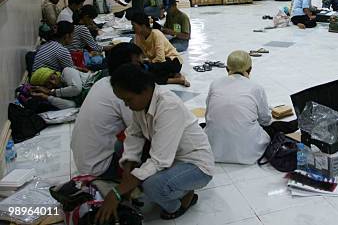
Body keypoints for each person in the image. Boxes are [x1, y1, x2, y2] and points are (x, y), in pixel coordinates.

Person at [95, 64, 214, 222]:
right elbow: (134, 134)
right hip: (169, 157)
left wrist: (116, 192)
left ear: (144, 90)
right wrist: (127, 174)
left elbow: (159, 160)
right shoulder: (142, 103)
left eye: (128, 99)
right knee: (121, 147)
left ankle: (181, 202)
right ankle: (171, 184)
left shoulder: (168, 106)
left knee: (152, 186)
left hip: (195, 165)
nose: (126, 105)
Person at [205, 51, 298, 164]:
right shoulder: (256, 88)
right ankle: (298, 124)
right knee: (274, 128)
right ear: (250, 69)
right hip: (248, 152)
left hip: (214, 150)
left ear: (227, 68)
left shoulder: (215, 84)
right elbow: (265, 120)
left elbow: (208, 115)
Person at [71, 43, 142, 179]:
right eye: (138, 65)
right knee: (144, 143)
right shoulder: (123, 93)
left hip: (83, 162)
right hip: (101, 168)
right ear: (126, 68)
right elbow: (140, 129)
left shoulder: (102, 82)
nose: (141, 70)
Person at [131, 12, 189, 86]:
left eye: (134, 25)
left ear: (143, 26)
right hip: (156, 63)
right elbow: (139, 54)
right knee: (143, 72)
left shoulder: (156, 34)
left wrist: (147, 63)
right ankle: (175, 77)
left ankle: (176, 79)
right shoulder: (138, 36)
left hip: (172, 61)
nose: (133, 28)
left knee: (147, 71)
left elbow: (160, 58)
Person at [25, 66, 95, 109]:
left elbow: (77, 89)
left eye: (52, 78)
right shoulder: (60, 94)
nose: (53, 82)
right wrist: (46, 97)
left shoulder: (67, 71)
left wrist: (51, 92)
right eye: (48, 84)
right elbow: (71, 105)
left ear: (55, 73)